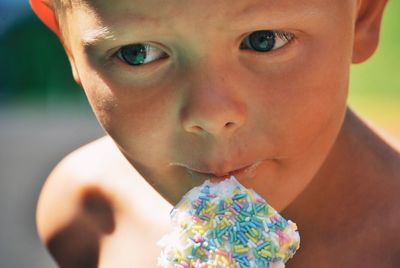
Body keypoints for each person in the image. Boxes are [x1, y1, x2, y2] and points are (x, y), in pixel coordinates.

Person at [30, 0, 400, 267]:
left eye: (264, 40)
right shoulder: (90, 213)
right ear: (67, 41)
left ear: (362, 13)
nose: (211, 115)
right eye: (137, 53)